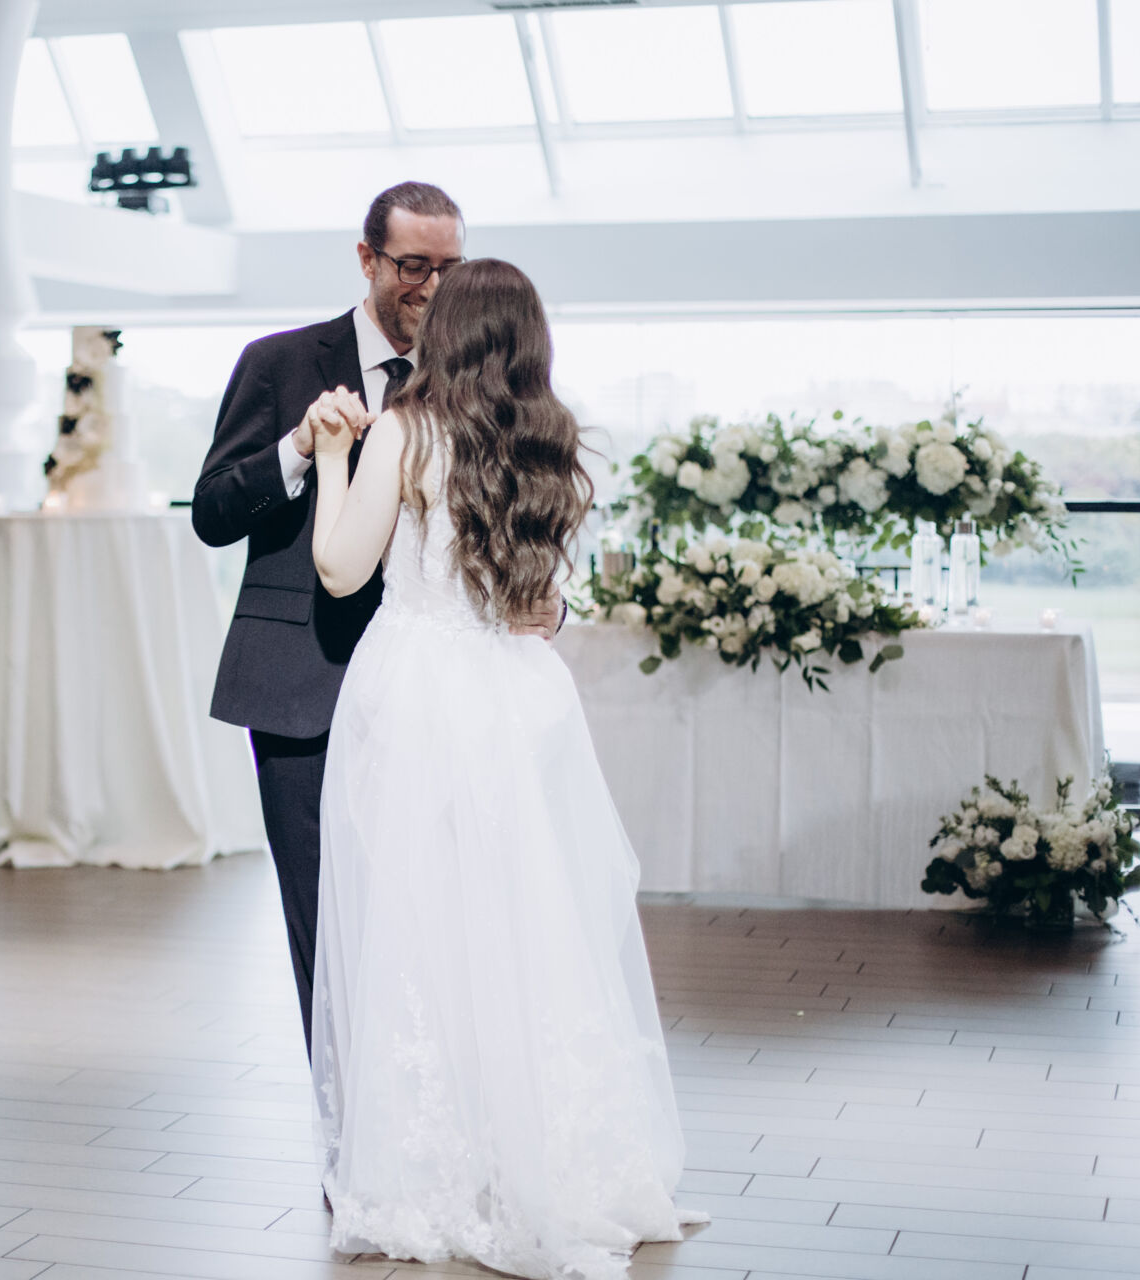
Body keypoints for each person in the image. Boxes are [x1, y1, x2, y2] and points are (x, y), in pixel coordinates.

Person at [305, 259, 703, 1277]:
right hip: (518, 694)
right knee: (527, 919)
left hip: (416, 692)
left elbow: (341, 570)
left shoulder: (406, 430)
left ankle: (436, 1157)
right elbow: (540, 598)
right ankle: (541, 1147)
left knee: (417, 920)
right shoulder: (546, 438)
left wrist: (338, 457)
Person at [192, 183, 556, 1051]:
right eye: (413, 266)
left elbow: (518, 520)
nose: (432, 286)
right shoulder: (278, 363)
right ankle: (345, 1112)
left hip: (442, 702)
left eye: (449, 267)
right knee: (322, 918)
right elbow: (211, 513)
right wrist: (299, 449)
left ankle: (431, 1093)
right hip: (302, 688)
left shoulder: (483, 386)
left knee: (445, 918)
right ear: (368, 260)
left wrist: (544, 602)